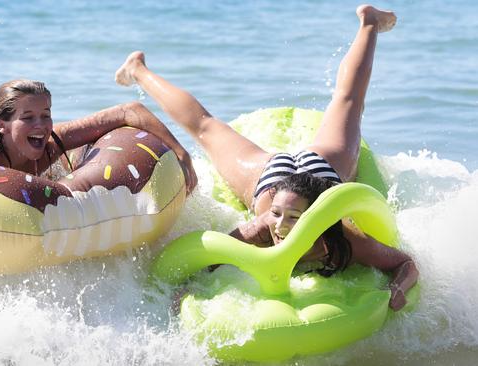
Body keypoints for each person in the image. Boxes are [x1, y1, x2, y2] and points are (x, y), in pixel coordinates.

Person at [116, 5, 417, 310]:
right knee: (204, 127)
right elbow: (209, 258)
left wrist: (398, 288)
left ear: (318, 217)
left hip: (319, 171)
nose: (280, 228)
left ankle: (369, 23)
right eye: (277, 215)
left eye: (293, 218)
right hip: (271, 178)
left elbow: (406, 264)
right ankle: (137, 69)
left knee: (349, 102)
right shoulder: (264, 225)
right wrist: (187, 290)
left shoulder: (345, 240)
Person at [0, 79, 197, 243]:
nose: (41, 126)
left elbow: (131, 111)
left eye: (45, 115)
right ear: (1, 125)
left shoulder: (51, 143)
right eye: (28, 117)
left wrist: (182, 155)